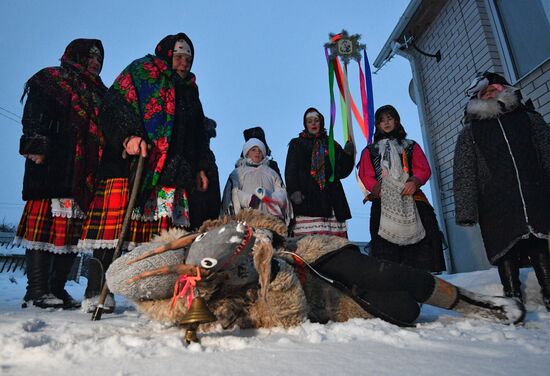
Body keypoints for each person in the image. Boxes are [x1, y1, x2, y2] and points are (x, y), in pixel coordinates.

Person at [78, 33, 216, 312]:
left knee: (165, 243)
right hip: (130, 164)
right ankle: (97, 292)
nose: (183, 63)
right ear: (166, 54)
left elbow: (197, 134)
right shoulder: (141, 72)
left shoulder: (189, 90)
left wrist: (202, 165)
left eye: (188, 59)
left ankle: (159, 298)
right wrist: (128, 136)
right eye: (178, 56)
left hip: (173, 171)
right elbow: (114, 106)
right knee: (113, 233)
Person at [14, 39, 107, 309]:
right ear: (75, 55)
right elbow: (33, 115)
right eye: (90, 56)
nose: (95, 62)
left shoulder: (99, 92)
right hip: (51, 166)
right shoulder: (50, 79)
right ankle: (36, 290)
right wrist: (34, 144)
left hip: (80, 173)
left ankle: (56, 288)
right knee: (42, 232)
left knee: (69, 235)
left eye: (99, 59)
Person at [453, 71, 550, 310]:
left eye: (492, 89)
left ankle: (548, 290)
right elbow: (464, 171)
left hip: (532, 192)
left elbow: (546, 150)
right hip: (495, 200)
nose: (488, 94)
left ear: (504, 89)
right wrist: (466, 209)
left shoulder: (528, 119)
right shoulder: (471, 132)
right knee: (503, 247)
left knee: (539, 241)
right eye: (483, 93)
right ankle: (511, 294)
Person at [358, 105, 446, 272]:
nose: (386, 123)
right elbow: (366, 174)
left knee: (422, 245)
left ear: (396, 121)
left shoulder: (411, 145)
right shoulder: (369, 151)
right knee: (386, 249)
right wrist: (378, 189)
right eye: (382, 120)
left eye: (389, 118)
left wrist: (414, 182)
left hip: (412, 198)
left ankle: (420, 284)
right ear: (377, 125)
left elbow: (423, 169)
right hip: (383, 202)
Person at [285, 107, 354, 237]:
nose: (313, 124)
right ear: (305, 124)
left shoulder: (331, 144)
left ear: (321, 122)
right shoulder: (297, 144)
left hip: (330, 199)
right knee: (308, 243)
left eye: (316, 120)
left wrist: (348, 155)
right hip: (307, 199)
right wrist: (294, 191)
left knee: (333, 242)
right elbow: (291, 170)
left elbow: (342, 172)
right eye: (309, 121)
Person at [222, 138, 290, 223]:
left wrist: (270, 198)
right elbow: (233, 193)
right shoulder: (238, 172)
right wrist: (249, 199)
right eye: (253, 150)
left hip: (269, 217)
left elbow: (282, 192)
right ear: (247, 153)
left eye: (260, 151)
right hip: (247, 216)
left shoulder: (272, 173)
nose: (257, 152)